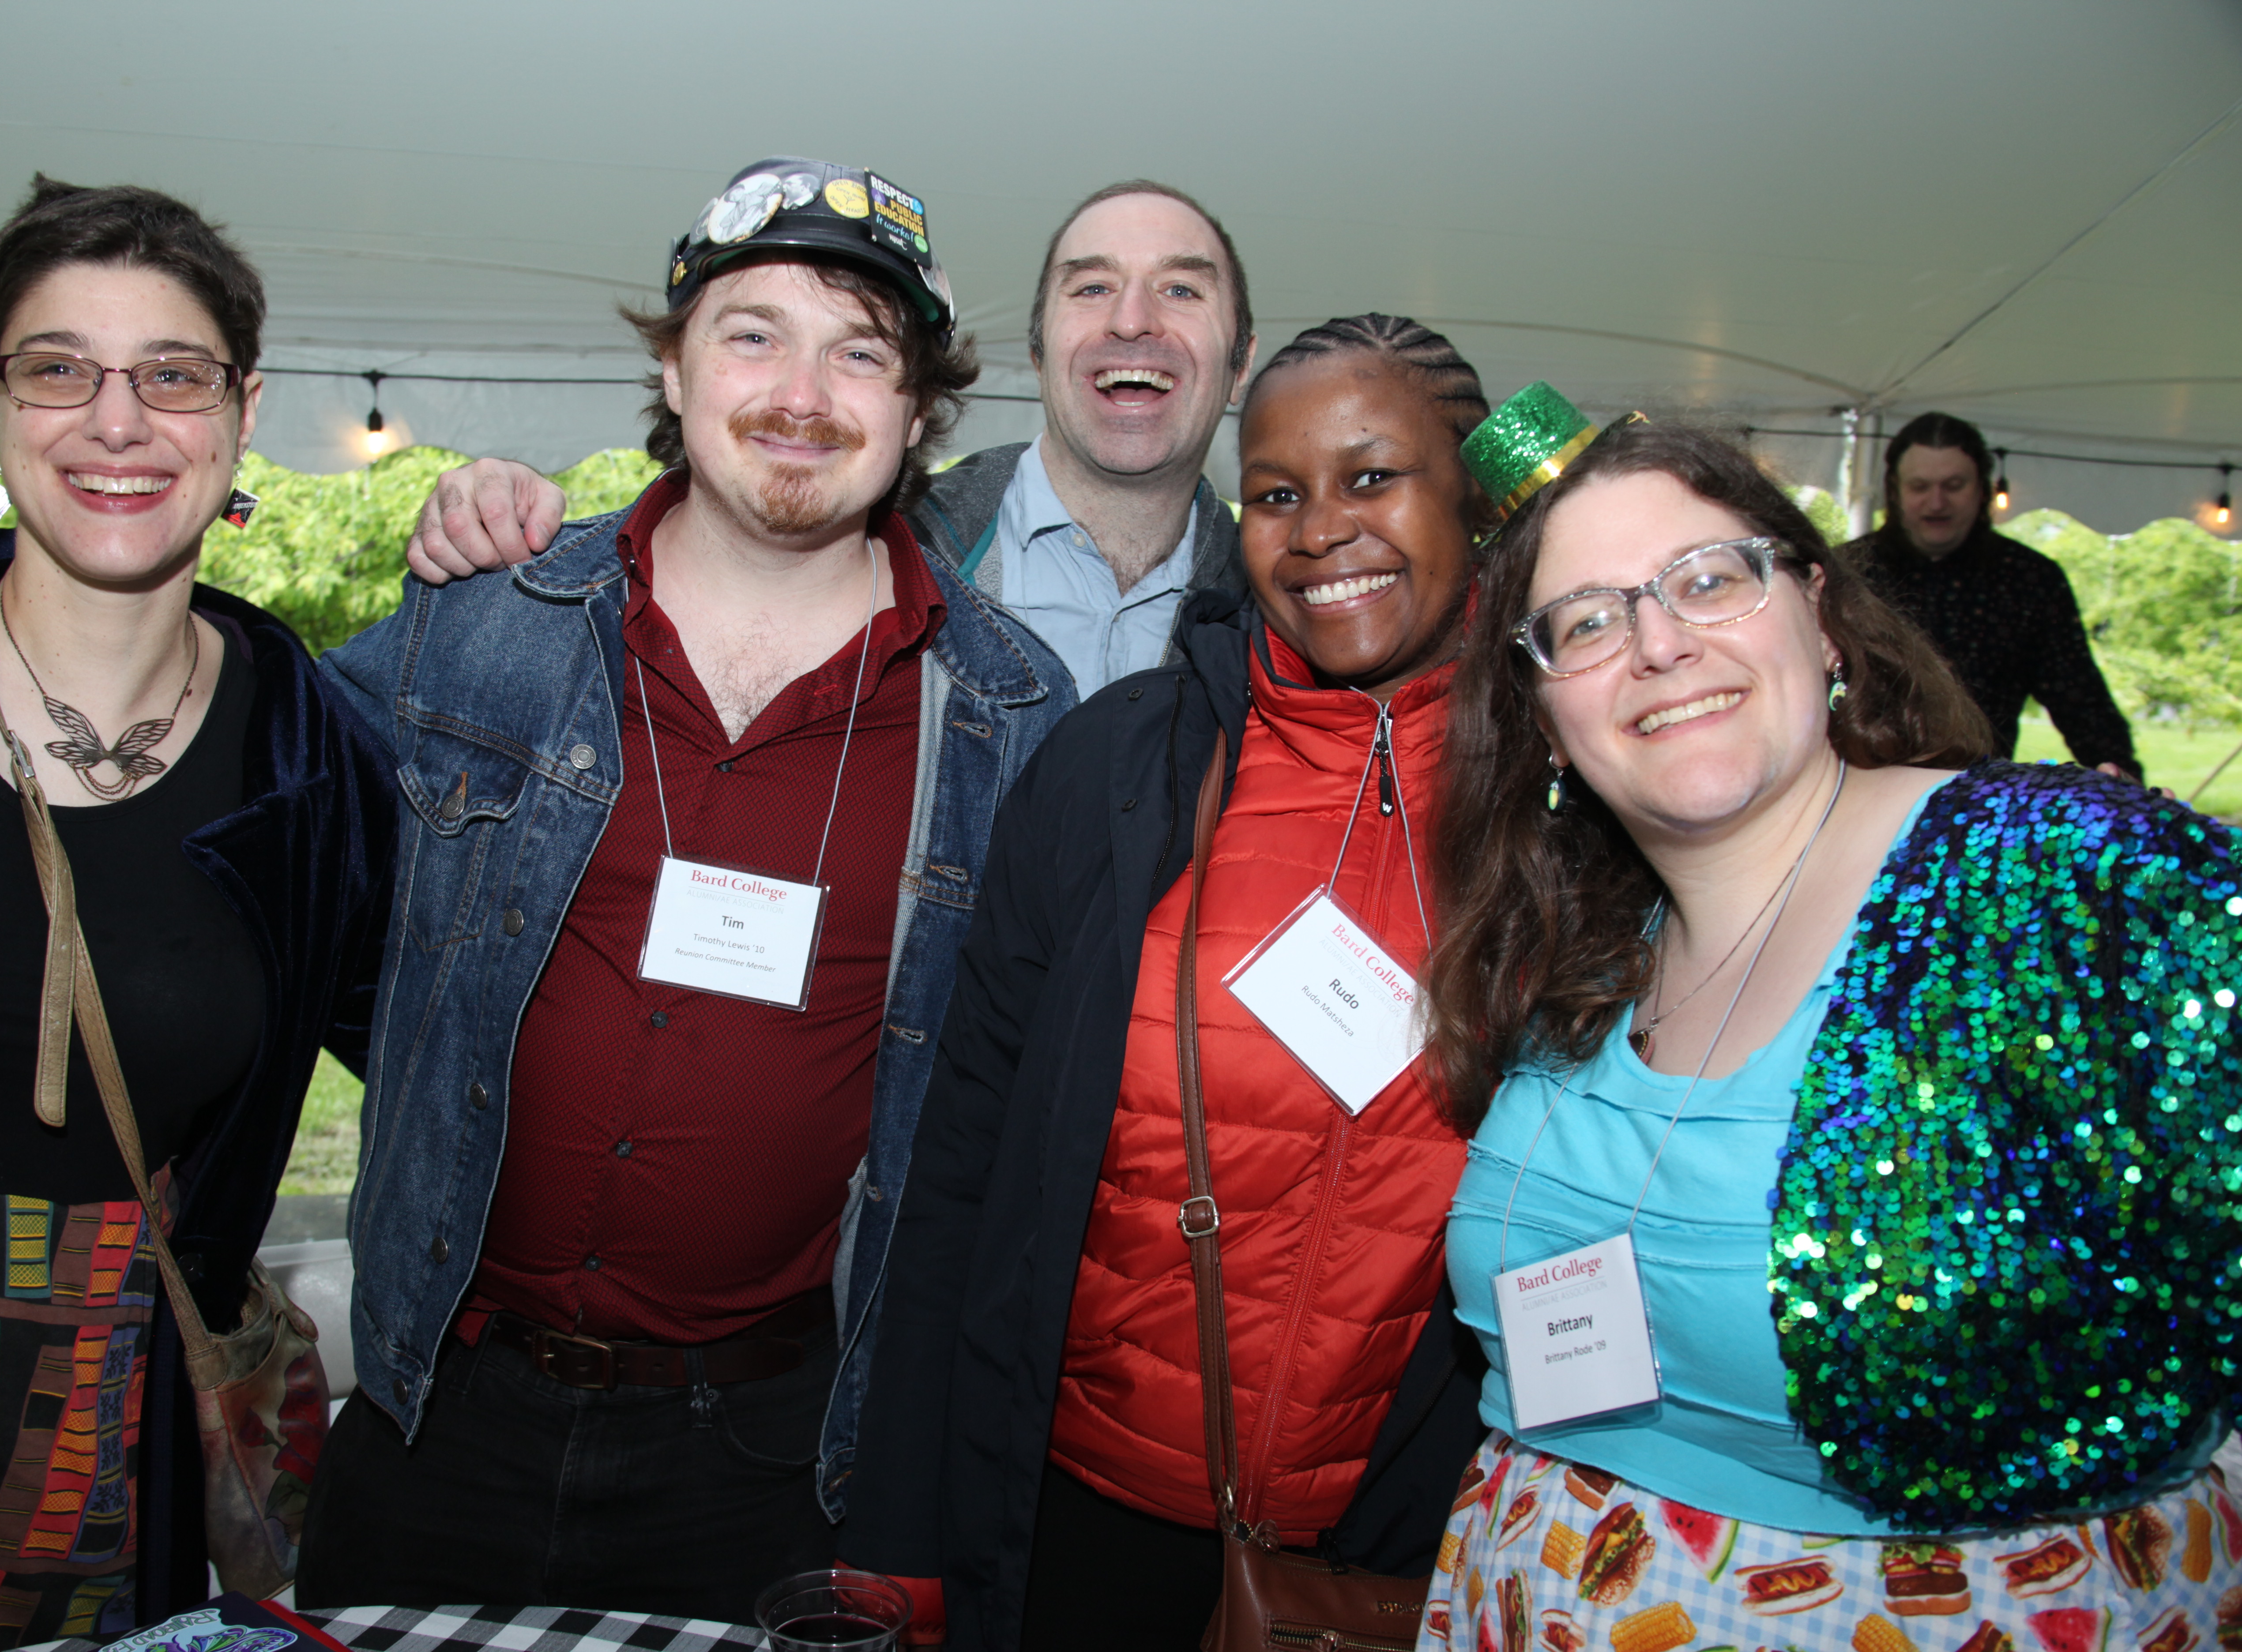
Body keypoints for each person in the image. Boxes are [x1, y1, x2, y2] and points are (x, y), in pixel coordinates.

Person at [292, 158, 1074, 1622]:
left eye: (862, 350)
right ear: (670, 360)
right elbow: (242, 808)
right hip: (436, 1414)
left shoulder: (1011, 714)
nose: (803, 388)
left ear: (917, 411)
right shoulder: (482, 627)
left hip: (772, 1460)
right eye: (752, 332)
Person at [1422, 402, 2242, 1652]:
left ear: (1820, 610)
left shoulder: (2060, 883)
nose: (1658, 644)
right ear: (1540, 716)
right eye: (1587, 621)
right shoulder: (1588, 950)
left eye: (1708, 579)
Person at [0, 176, 398, 1642]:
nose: (118, 422)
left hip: (103, 1429)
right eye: (60, 369)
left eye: (171, 375)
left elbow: (467, 1056)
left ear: (242, 408)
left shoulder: (318, 759)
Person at [841, 316, 1500, 1651]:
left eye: (1373, 479)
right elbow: (962, 1164)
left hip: (1397, 1545)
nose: (1321, 530)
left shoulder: (1573, 796)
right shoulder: (1117, 769)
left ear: (1474, 501)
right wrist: (900, 1530)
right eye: (1274, 493)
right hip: (1077, 1515)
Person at [397, 179, 1257, 702]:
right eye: (1092, 287)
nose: (1133, 321)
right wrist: (497, 525)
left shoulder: (1288, 614)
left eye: (1182, 290)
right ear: (1035, 348)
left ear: (1242, 358)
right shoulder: (895, 553)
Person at [1848, 410, 2140, 776]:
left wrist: (2123, 779)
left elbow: (2081, 700)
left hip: (1976, 805)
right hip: (1857, 793)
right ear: (1895, 490)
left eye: (1954, 486)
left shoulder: (2030, 579)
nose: (1937, 502)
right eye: (1920, 487)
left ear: (1982, 489)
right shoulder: (1848, 573)